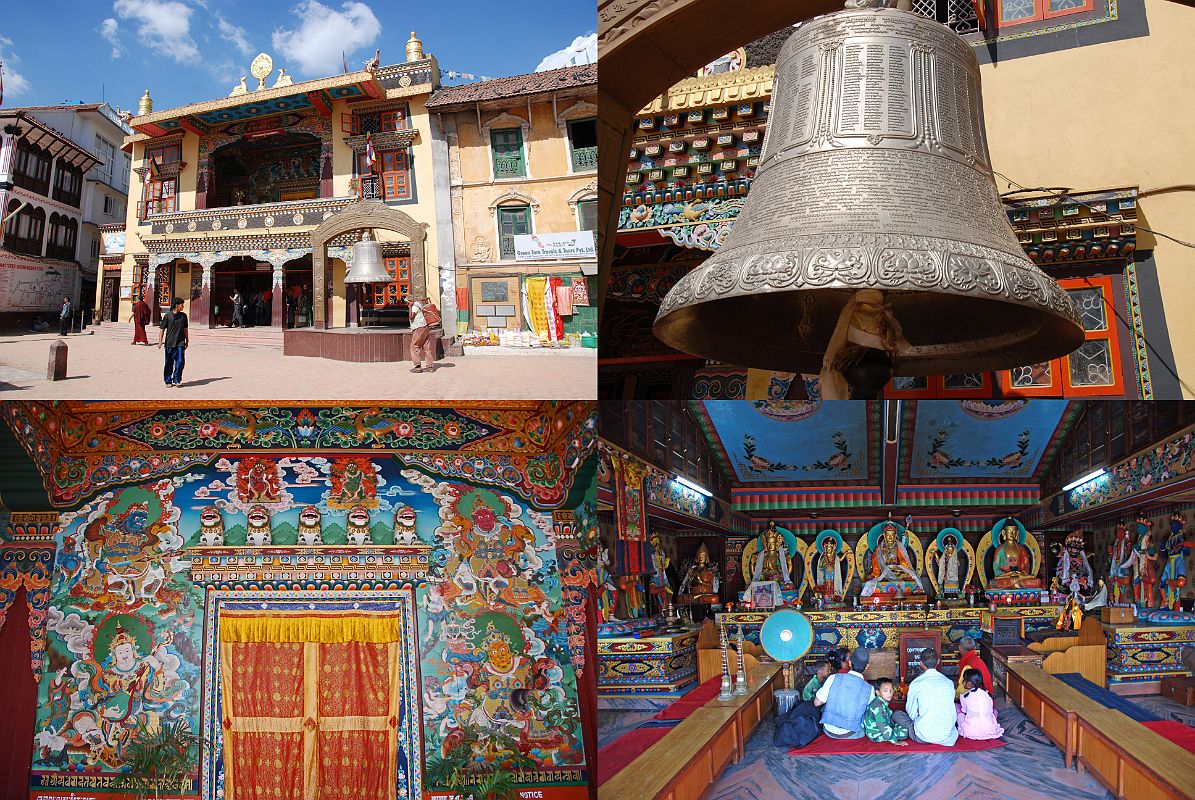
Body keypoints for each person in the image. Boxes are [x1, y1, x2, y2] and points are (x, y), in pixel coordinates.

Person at [895, 650, 958, 745]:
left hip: (923, 736)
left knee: (896, 714)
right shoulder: (949, 683)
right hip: (947, 735)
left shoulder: (916, 683)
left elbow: (911, 712)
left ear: (920, 663)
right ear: (938, 661)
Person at [814, 648, 874, 739]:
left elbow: (817, 702)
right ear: (867, 666)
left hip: (828, 730)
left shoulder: (833, 678)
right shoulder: (870, 689)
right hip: (850, 733)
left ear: (849, 663)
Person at [957, 668, 1004, 739]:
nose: (962, 682)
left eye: (964, 680)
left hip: (970, 731)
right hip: (989, 729)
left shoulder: (965, 696)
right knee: (994, 712)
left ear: (969, 684)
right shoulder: (987, 694)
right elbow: (990, 710)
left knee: (957, 710)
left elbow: (964, 711)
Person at [863, 678, 910, 746]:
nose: (889, 693)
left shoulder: (880, 702)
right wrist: (895, 741)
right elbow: (883, 726)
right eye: (885, 691)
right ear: (878, 692)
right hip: (876, 735)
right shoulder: (878, 707)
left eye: (891, 690)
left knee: (900, 723)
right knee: (905, 731)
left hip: (881, 729)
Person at [158, 297, 188, 387]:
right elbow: (162, 329)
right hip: (169, 343)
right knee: (169, 362)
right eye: (182, 305)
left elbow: (185, 329)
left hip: (180, 342)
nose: (183, 306)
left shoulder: (183, 316)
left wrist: (187, 339)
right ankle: (168, 380)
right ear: (177, 305)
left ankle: (177, 379)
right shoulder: (167, 316)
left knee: (180, 361)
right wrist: (160, 341)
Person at [408, 295, 436, 373]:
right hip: (425, 327)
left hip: (419, 327)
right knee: (426, 347)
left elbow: (411, 316)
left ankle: (417, 366)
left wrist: (410, 307)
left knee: (414, 346)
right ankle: (430, 367)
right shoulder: (419, 305)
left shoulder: (414, 306)